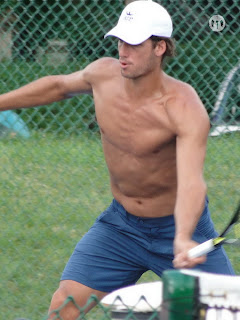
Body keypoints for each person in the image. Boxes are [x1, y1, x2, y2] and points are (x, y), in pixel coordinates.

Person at [0, 1, 234, 319]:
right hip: (120, 227)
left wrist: (182, 236)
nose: (124, 51)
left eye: (135, 44)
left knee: (224, 313)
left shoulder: (183, 107)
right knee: (64, 305)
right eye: (121, 41)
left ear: (159, 47)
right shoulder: (102, 76)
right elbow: (57, 86)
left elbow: (192, 181)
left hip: (178, 230)